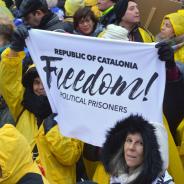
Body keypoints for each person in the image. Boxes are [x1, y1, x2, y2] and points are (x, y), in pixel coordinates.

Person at [0, 26, 83, 183]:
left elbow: (70, 157)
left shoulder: (72, 113)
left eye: (46, 82)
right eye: (36, 82)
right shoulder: (22, 103)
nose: (40, 87)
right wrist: (14, 50)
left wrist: (52, 131)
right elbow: (8, 81)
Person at [101, 114, 174, 184]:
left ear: (152, 153)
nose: (131, 147)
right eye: (129, 140)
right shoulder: (115, 178)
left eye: (140, 143)